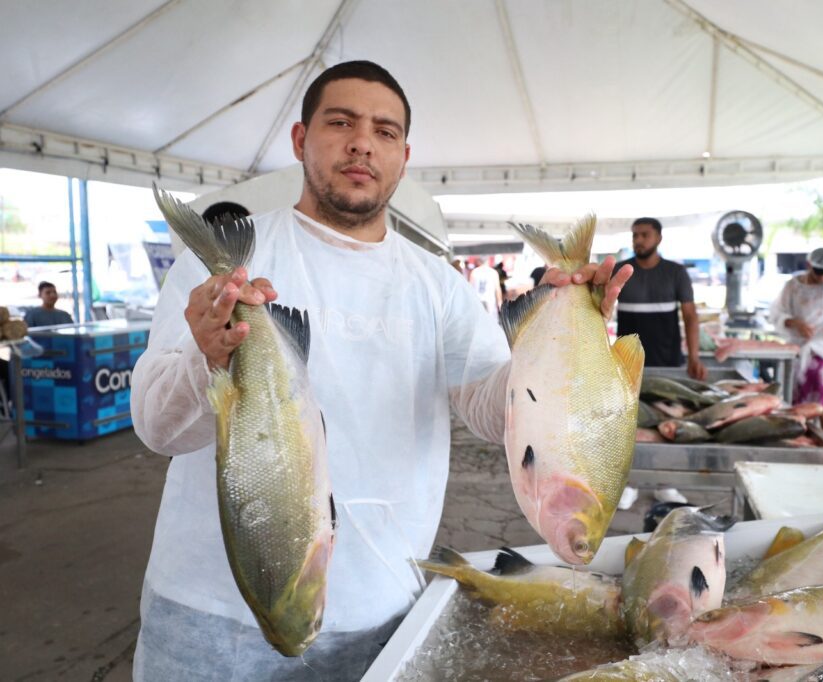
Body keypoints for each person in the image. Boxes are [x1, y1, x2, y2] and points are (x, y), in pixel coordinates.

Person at [129, 60, 632, 681]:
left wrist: (567, 347)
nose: (362, 142)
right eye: (340, 122)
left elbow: (489, 406)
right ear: (299, 139)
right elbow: (157, 428)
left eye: (385, 132)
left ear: (403, 154)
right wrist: (203, 357)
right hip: (213, 613)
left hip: (383, 610)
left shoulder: (437, 285)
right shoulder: (223, 265)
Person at [769, 247, 823, 434]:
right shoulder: (793, 286)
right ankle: (798, 437)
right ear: (809, 266)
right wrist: (794, 322)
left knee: (822, 404)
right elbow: (776, 314)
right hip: (797, 350)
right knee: (795, 401)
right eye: (819, 273)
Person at [613, 218, 706, 378]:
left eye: (645, 235)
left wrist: (694, 357)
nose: (638, 240)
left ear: (659, 238)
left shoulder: (676, 272)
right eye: (635, 236)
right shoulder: (620, 271)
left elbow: (690, 316)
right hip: (626, 363)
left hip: (668, 361)